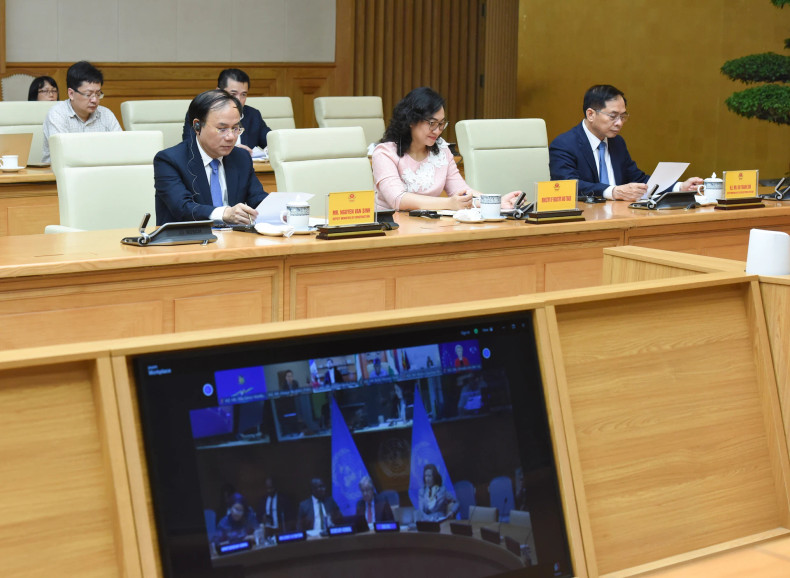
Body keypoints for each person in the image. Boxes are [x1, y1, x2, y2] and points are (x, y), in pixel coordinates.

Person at [372, 86, 521, 211]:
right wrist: (449, 204)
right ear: (411, 120)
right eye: (432, 123)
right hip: (393, 229)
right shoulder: (385, 154)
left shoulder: (441, 150)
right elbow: (398, 199)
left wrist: (497, 202)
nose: (437, 131)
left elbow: (461, 192)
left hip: (430, 227)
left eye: (441, 124)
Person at [549, 84, 702, 201]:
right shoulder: (564, 144)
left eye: (623, 116)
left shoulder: (617, 143)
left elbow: (638, 179)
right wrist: (613, 192)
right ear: (590, 114)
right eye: (613, 116)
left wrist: (679, 187)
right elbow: (567, 186)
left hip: (621, 215)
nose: (619, 123)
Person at [154, 89, 267, 225]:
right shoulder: (169, 160)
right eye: (222, 129)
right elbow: (183, 208)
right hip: (187, 242)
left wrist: (282, 210)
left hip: (235, 241)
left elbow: (258, 199)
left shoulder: (241, 157)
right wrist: (224, 213)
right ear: (197, 126)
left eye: (235, 128)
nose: (231, 137)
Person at [41, 61, 122, 164]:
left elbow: (121, 147)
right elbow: (63, 154)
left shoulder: (106, 114)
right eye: (88, 94)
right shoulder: (57, 114)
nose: (94, 100)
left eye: (98, 94)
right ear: (71, 93)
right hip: (59, 176)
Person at [181, 68, 271, 155]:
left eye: (243, 94)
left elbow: (272, 143)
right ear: (218, 92)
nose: (239, 100)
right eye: (233, 94)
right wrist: (235, 152)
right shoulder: (200, 112)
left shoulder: (253, 115)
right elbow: (190, 146)